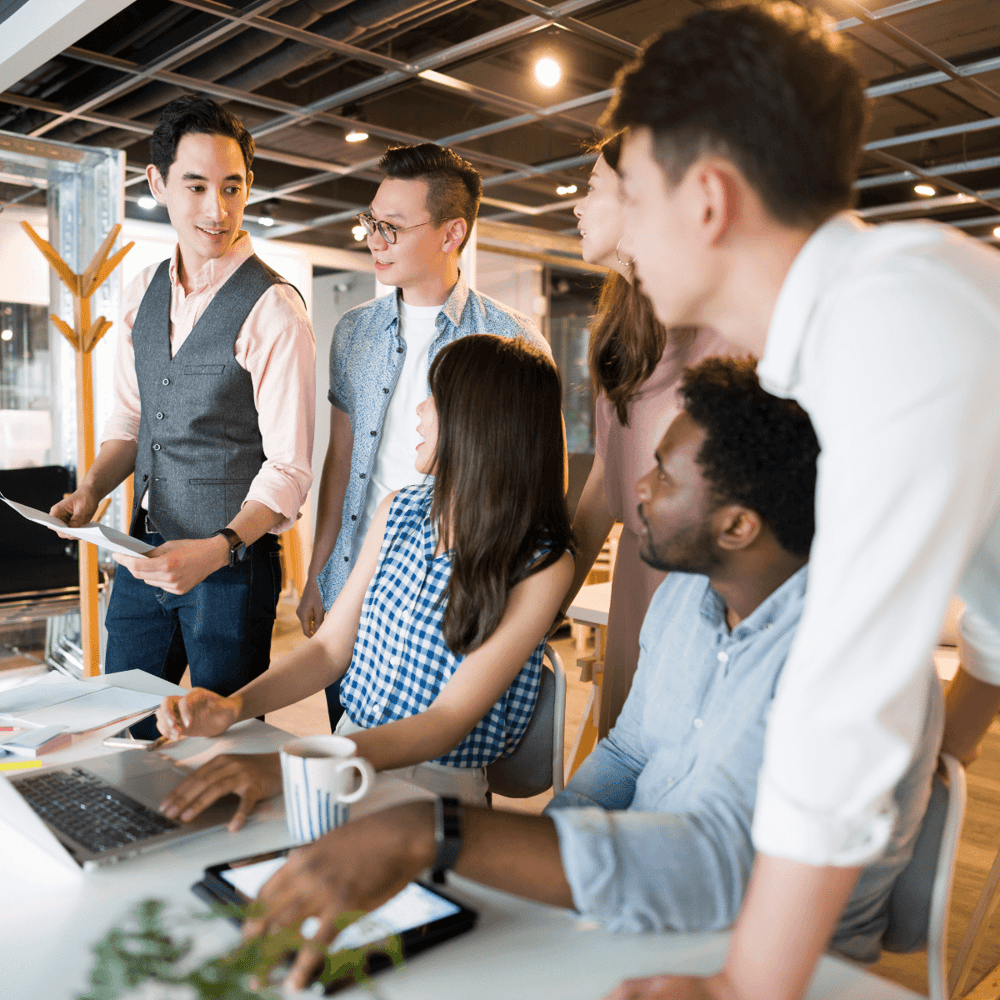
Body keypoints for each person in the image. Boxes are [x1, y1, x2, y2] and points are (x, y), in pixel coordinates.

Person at [229, 356, 940, 994]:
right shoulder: (691, 598)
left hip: (775, 959)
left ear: (738, 527)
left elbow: (724, 868)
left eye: (665, 473)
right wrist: (527, 874)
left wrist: (440, 832)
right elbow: (628, 753)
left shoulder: (851, 657)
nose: (639, 486)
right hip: (643, 904)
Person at [599, 4, 1000, 998]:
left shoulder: (890, 318)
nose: (618, 234)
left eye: (632, 194)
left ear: (706, 199)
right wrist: (914, 782)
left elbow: (842, 701)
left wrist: (746, 985)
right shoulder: (853, 330)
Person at [154, 335, 574, 814]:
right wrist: (232, 707)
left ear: (482, 420)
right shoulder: (400, 510)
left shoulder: (542, 564)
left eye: (435, 396)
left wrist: (296, 766)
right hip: (346, 748)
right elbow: (330, 650)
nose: (420, 410)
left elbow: (447, 720)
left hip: (434, 790)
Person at [50, 95, 315, 742]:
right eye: (196, 186)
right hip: (144, 554)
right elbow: (131, 418)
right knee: (123, 726)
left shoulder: (275, 309)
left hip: (234, 570)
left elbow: (289, 470)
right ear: (157, 182)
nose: (216, 210)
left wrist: (217, 549)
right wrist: (92, 490)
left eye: (232, 188)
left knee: (218, 746)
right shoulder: (141, 290)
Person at [296, 142, 549, 731]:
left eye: (392, 227)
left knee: (444, 769)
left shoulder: (509, 341)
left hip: (454, 597)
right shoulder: (355, 333)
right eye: (370, 223)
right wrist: (318, 570)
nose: (373, 240)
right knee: (350, 739)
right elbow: (343, 460)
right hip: (354, 585)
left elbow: (538, 484)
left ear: (451, 233)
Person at [564, 131, 733, 736]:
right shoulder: (620, 333)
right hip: (638, 599)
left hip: (707, 614)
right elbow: (602, 498)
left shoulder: (727, 335)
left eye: (591, 189)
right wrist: (539, 613)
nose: (577, 206)